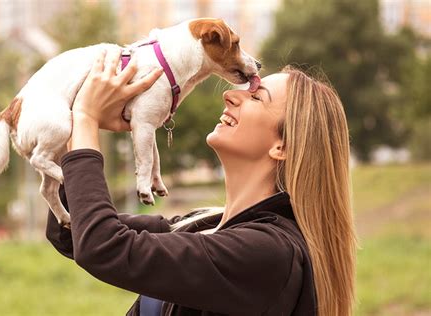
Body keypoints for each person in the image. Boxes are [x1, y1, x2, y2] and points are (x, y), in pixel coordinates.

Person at [46, 48, 357, 316]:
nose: (230, 93)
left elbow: (103, 247)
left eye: (256, 97)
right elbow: (70, 231)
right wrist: (71, 129)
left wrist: (86, 117)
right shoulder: (204, 223)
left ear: (283, 146)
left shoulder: (269, 253)